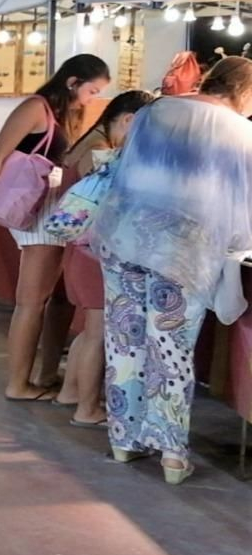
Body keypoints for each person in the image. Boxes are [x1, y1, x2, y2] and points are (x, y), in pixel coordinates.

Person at [93, 58, 252, 484]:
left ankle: (124, 440)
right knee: (171, 350)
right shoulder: (239, 132)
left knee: (124, 341)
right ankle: (171, 455)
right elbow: (241, 207)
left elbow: (124, 168)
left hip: (125, 235)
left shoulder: (155, 110)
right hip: (184, 251)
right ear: (243, 91)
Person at [0, 54, 111, 402]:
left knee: (58, 297)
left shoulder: (65, 114)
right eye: (91, 91)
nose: (91, 99)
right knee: (31, 301)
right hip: (39, 213)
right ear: (72, 82)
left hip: (53, 208)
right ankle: (18, 383)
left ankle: (45, 373)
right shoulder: (35, 108)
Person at [57, 90, 154, 428]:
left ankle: (71, 392)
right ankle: (87, 409)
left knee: (88, 330)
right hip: (93, 255)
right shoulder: (102, 152)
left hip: (80, 252)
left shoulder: (91, 141)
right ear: (128, 120)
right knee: (98, 333)